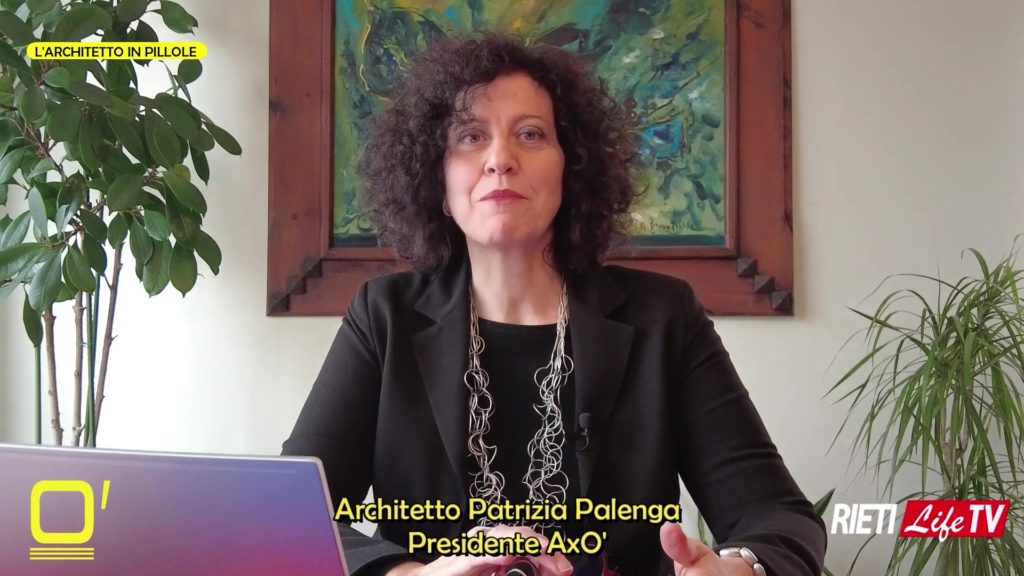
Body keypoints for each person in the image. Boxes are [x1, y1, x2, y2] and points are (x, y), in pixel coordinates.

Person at [283, 33, 826, 576]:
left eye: (531, 134)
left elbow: (778, 515)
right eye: (470, 136)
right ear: (436, 180)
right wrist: (418, 575)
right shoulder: (384, 315)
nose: (500, 159)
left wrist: (740, 568)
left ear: (572, 168)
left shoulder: (664, 316)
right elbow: (289, 519)